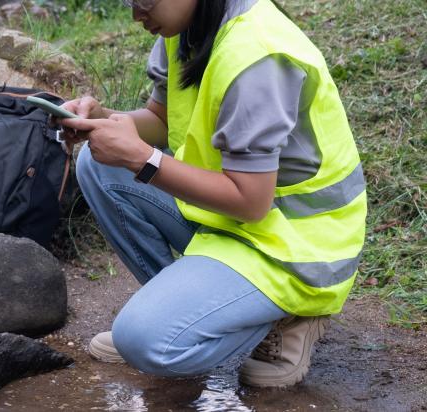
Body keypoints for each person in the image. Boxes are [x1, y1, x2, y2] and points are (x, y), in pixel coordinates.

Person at [57, 0, 367, 387]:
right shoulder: (189, 23)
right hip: (234, 220)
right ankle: (184, 315)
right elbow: (160, 120)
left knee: (146, 342)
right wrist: (102, 120)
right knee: (100, 162)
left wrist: (141, 159)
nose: (136, 15)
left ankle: (285, 319)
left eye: (143, 1)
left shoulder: (256, 55)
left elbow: (251, 203)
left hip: (294, 245)